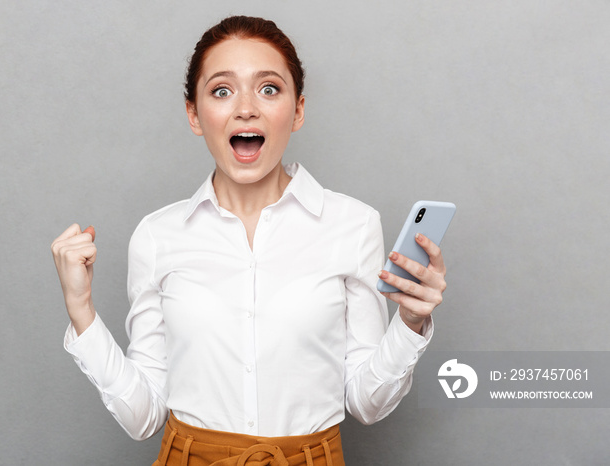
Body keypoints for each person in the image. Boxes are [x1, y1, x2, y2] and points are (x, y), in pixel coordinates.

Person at [51, 15, 447, 466]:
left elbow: (366, 403)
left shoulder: (352, 225)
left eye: (268, 89)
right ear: (194, 114)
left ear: (297, 110)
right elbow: (142, 417)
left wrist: (410, 323)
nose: (245, 109)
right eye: (222, 90)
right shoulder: (157, 237)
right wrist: (81, 311)